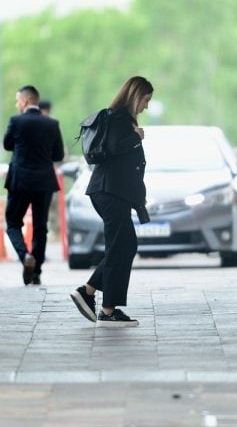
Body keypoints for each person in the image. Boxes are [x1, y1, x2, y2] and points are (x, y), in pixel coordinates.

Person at [70, 76, 154, 327]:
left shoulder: (121, 120)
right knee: (122, 246)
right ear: (135, 95)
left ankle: (91, 292)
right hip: (109, 193)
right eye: (146, 100)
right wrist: (136, 136)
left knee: (124, 246)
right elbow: (116, 146)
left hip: (111, 193)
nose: (146, 106)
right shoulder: (118, 118)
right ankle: (106, 309)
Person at [3, 85, 65, 285]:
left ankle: (25, 256)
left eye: (17, 101)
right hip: (44, 182)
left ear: (26, 101)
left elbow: (7, 144)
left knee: (13, 223)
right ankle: (36, 271)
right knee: (41, 227)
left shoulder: (16, 121)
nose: (16, 104)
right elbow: (59, 155)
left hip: (20, 181)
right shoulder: (52, 124)